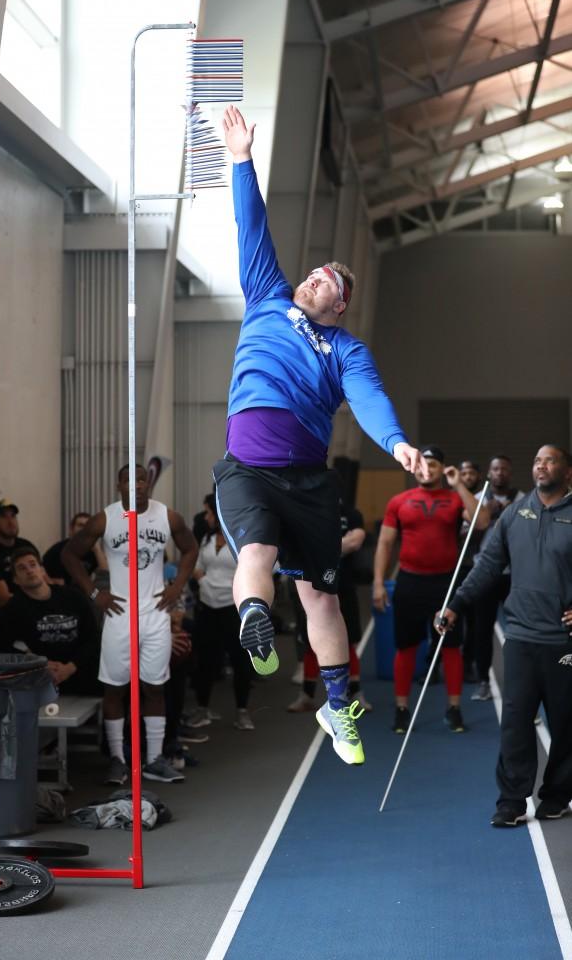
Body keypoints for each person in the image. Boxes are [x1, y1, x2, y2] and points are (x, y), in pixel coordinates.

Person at [212, 104, 426, 767]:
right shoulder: (267, 293)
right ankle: (254, 617)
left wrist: (395, 444)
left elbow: (369, 401)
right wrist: (242, 159)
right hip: (249, 461)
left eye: (325, 283)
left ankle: (339, 707)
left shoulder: (345, 351)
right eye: (312, 273)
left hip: (308, 479)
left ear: (338, 306)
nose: (310, 280)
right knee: (256, 551)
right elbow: (253, 225)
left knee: (321, 597)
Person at [436, 445, 572, 828]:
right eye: (537, 460)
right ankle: (512, 800)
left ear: (568, 473)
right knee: (515, 721)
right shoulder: (514, 514)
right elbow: (488, 566)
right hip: (522, 637)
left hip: (563, 642)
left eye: (550, 460)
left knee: (565, 724)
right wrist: (456, 603)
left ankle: (557, 795)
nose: (541, 465)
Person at [62, 464, 198, 784]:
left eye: (142, 479)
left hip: (154, 613)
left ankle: (153, 759)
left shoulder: (168, 517)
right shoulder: (105, 519)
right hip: (119, 614)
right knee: (115, 688)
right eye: (129, 480)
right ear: (118, 486)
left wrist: (178, 585)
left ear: (148, 483)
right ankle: (119, 761)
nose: (137, 485)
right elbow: (70, 555)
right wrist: (95, 592)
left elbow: (190, 549)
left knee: (154, 686)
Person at [373, 445, 489, 735]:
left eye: (434, 465)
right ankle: (401, 709)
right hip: (410, 583)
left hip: (446, 584)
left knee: (450, 648)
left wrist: (459, 484)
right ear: (414, 468)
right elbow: (385, 543)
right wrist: (377, 582)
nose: (427, 469)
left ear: (443, 469)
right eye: (423, 465)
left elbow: (482, 521)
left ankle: (453, 709)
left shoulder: (454, 498)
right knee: (406, 647)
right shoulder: (399, 501)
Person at [288, 498, 372, 712]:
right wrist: (337, 546)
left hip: (344, 585)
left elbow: (356, 541)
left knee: (348, 639)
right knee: (311, 640)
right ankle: (307, 695)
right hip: (314, 586)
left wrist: (320, 549)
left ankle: (355, 693)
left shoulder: (351, 514)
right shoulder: (307, 508)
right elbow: (298, 543)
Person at [0, 546, 100, 694]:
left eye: (33, 564)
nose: (29, 570)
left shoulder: (73, 597)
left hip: (82, 672)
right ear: (15, 580)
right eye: (22, 568)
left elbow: (94, 637)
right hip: (43, 679)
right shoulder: (14, 608)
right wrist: (35, 663)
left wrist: (70, 668)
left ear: (42, 570)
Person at [190, 493, 254, 730]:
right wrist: (204, 580)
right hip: (208, 606)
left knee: (240, 661)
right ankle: (202, 709)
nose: (205, 517)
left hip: (233, 608)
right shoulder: (206, 539)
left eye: (208, 513)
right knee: (205, 661)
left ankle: (242, 712)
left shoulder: (243, 540)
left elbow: (254, 571)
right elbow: (196, 566)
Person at [469, 455, 524, 702]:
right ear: (489, 474)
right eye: (495, 469)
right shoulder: (478, 500)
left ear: (510, 473)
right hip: (485, 572)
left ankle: (519, 683)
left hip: (513, 574)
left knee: (518, 630)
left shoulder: (522, 499)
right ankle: (483, 680)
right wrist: (487, 515)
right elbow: (466, 537)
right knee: (482, 629)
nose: (499, 472)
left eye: (504, 468)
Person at [0, 499, 36, 623]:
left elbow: (44, 579)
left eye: (13, 516)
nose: (11, 521)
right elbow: (5, 600)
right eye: (3, 516)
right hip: (4, 621)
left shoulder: (26, 546)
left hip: (35, 614)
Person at [458, 460, 485, 683]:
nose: (467, 476)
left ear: (478, 475)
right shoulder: (452, 498)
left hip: (475, 566)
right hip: (452, 566)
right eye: (463, 473)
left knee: (474, 620)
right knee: (448, 615)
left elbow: (481, 527)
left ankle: (468, 662)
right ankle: (434, 660)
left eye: (471, 472)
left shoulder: (484, 500)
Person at [43, 512, 107, 586]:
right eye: (80, 525)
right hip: (60, 592)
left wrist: (97, 549)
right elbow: (40, 570)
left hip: (81, 593)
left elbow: (105, 575)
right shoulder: (57, 550)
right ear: (71, 529)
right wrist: (53, 581)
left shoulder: (92, 552)